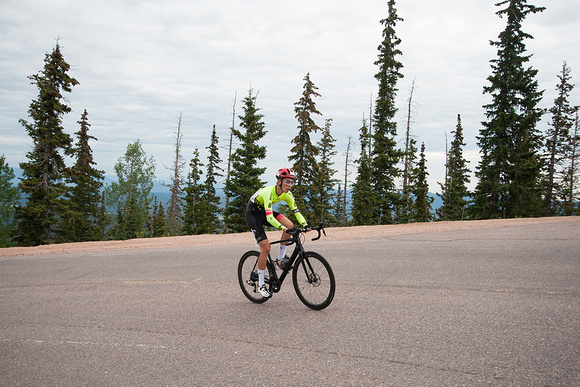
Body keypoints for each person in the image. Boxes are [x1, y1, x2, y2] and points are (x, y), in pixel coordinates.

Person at [245, 167, 309, 297]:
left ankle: (280, 258)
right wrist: (282, 229)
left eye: (292, 182)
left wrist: (305, 224)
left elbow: (296, 212)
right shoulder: (268, 192)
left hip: (263, 211)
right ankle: (260, 284)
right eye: (287, 182)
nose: (290, 185)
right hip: (252, 214)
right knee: (266, 248)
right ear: (279, 181)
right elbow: (269, 218)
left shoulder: (288, 195)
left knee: (290, 224)